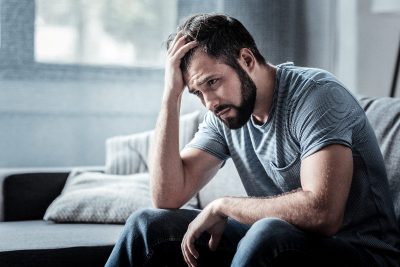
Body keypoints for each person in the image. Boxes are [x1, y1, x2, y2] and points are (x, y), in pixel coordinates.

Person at [105, 13, 400, 267]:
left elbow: (323, 214)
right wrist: (171, 95)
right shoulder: (224, 114)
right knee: (147, 225)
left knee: (267, 232)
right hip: (281, 243)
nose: (208, 102)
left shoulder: (316, 96)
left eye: (212, 82)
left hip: (363, 254)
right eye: (197, 92)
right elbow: (167, 196)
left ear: (246, 59)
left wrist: (223, 206)